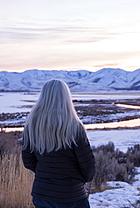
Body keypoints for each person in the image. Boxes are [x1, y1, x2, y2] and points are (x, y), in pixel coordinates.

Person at [22, 79, 95, 208]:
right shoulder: (75, 127)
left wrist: (46, 173)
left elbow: (28, 161)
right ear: (66, 97)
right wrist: (78, 181)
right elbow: (88, 165)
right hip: (72, 195)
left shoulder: (32, 126)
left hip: (42, 194)